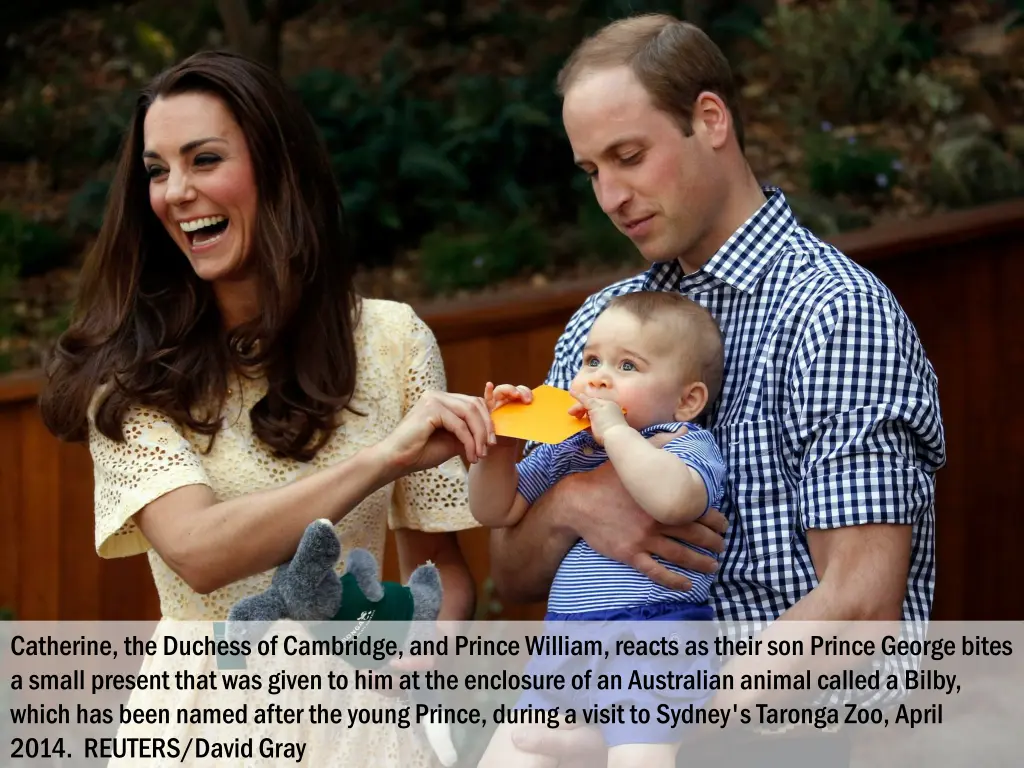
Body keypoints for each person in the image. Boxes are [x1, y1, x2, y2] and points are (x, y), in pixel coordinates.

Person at [486, 13, 946, 767]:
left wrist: (644, 718)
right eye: (592, 170)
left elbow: (860, 610)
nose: (610, 194)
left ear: (710, 119)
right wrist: (573, 505)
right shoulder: (598, 333)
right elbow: (511, 574)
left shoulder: (835, 313)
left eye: (629, 156)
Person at [38, 50, 495, 767]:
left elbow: (443, 569)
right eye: (157, 171)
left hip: (367, 737)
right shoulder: (128, 373)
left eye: (204, 159)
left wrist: (413, 682)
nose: (177, 191)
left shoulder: (393, 339)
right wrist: (383, 460)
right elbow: (199, 552)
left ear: (279, 169)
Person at [468, 290, 727, 768]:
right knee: (513, 751)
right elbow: (496, 510)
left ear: (687, 401)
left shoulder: (682, 443)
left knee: (639, 754)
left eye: (627, 367)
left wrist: (617, 435)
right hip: (565, 639)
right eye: (590, 361)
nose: (599, 378)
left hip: (651, 637)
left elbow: (672, 500)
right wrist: (499, 447)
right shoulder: (569, 449)